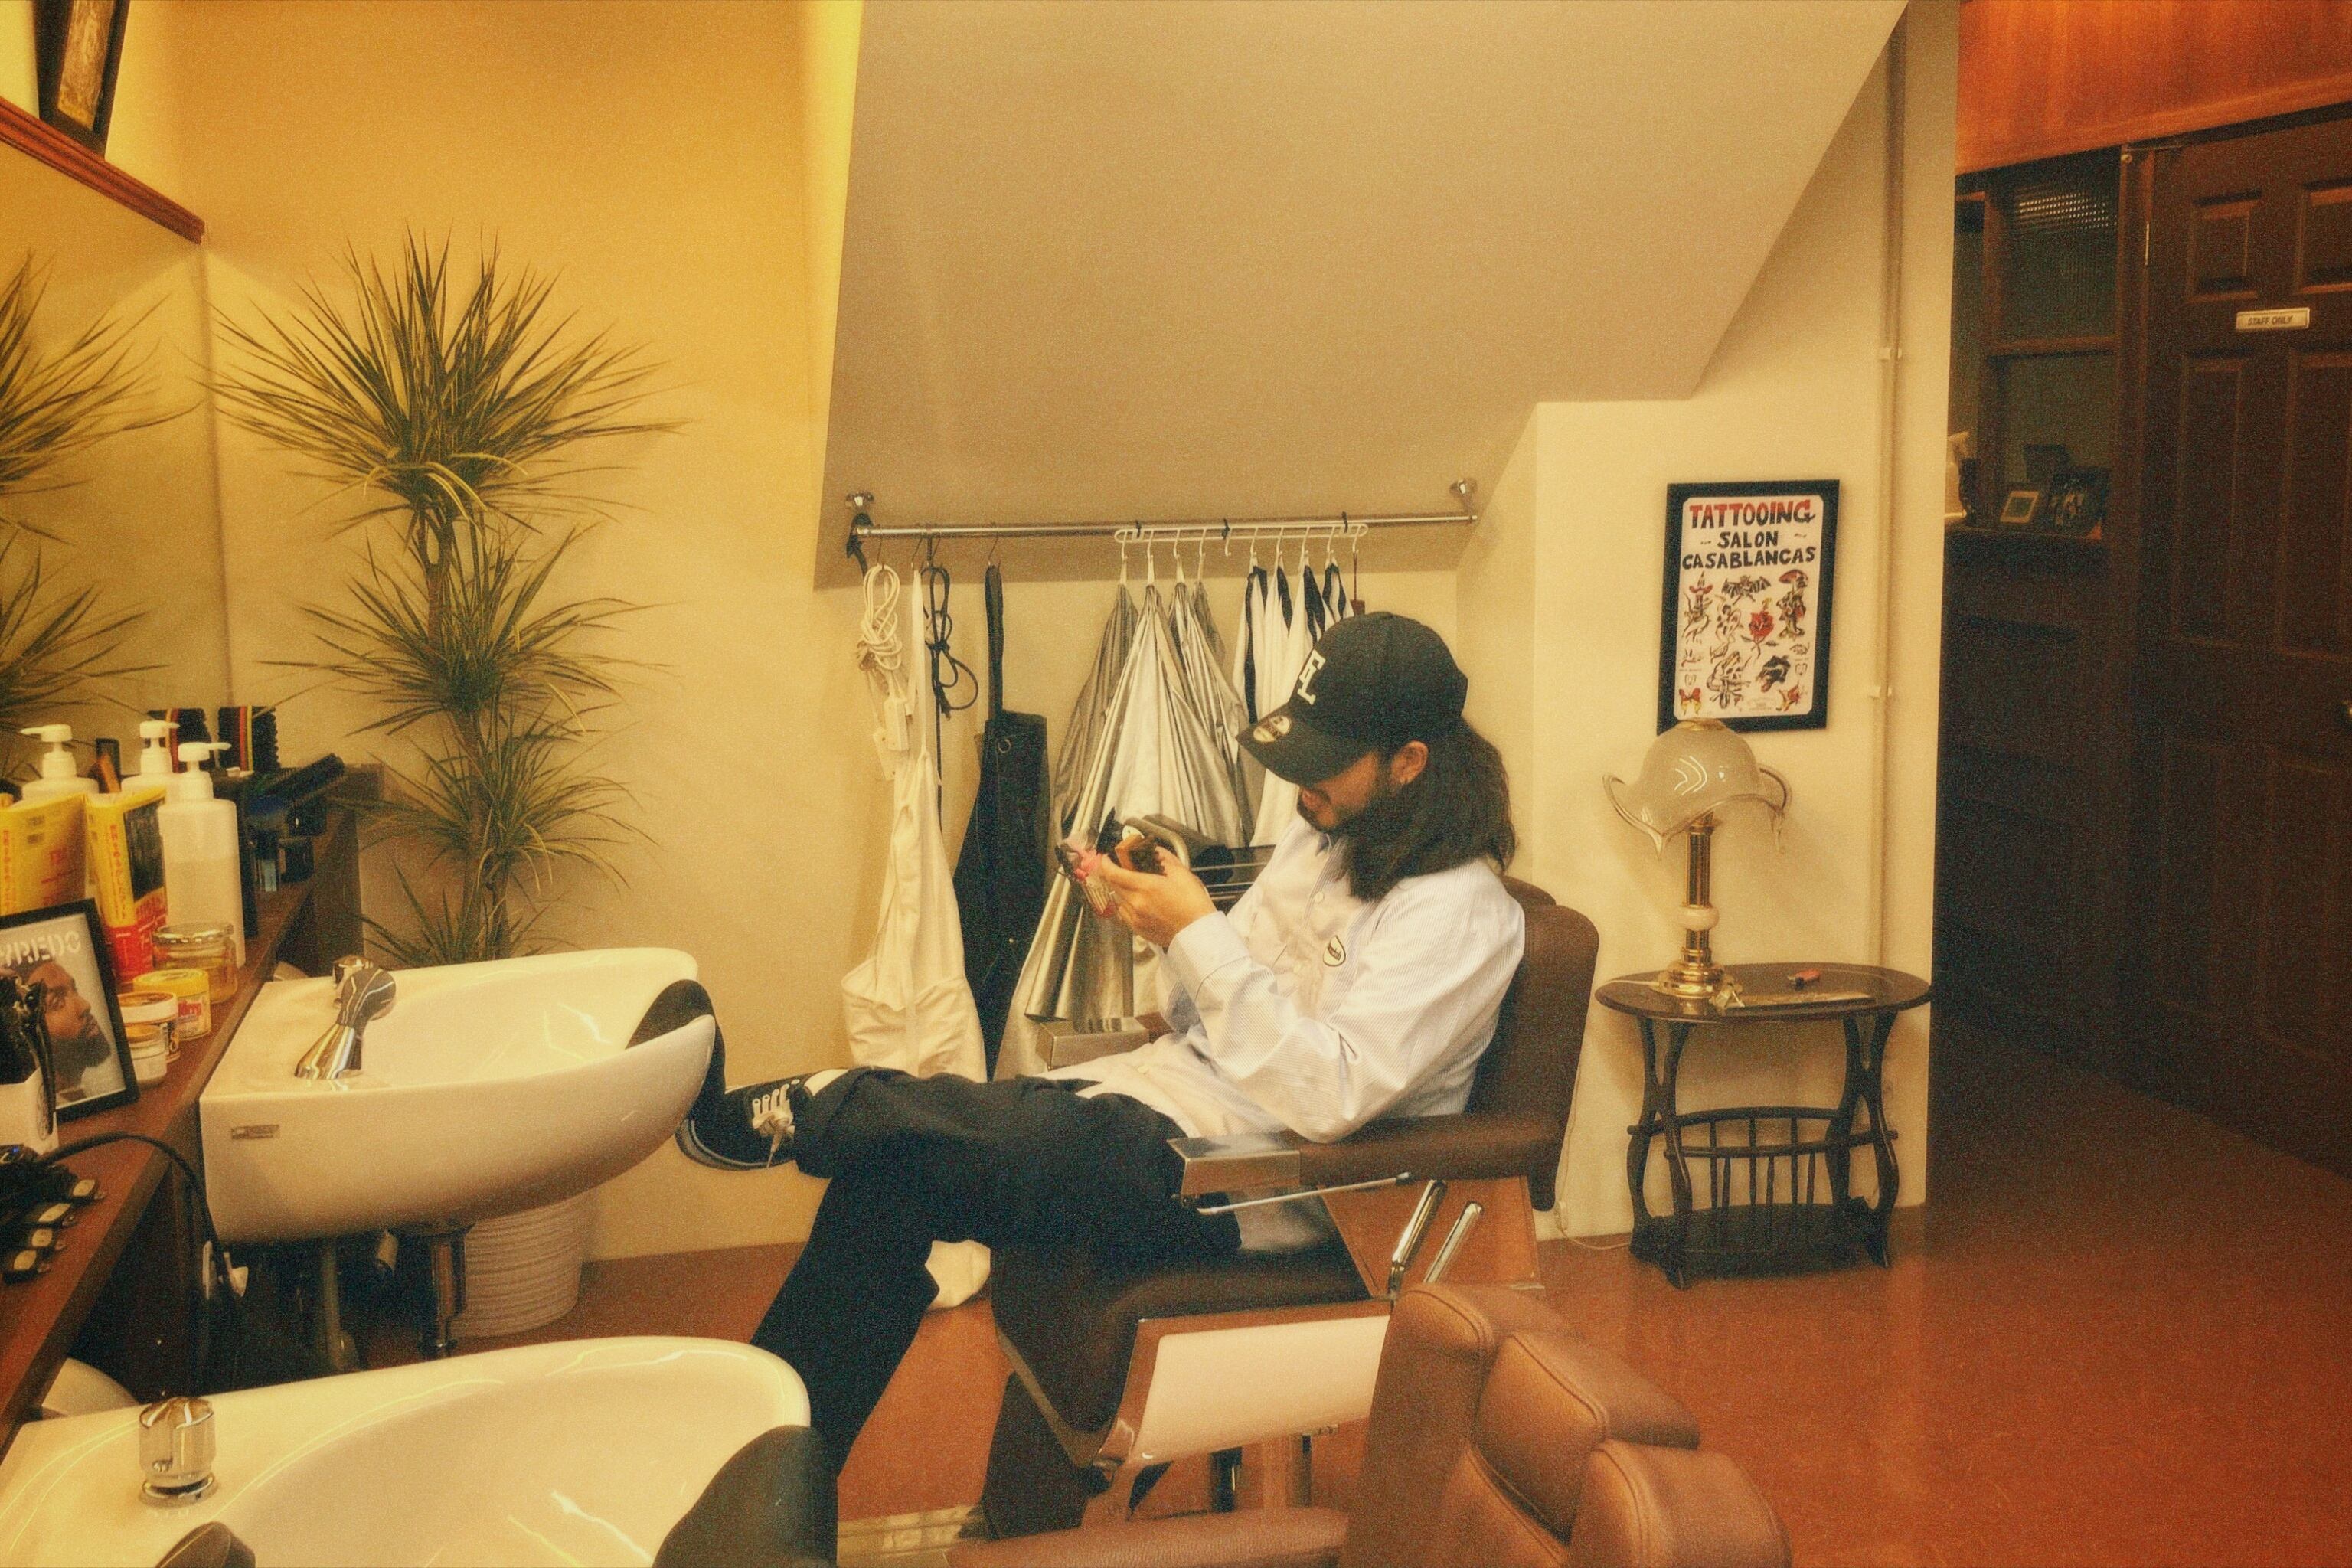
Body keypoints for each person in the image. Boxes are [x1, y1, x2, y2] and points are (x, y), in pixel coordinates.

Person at [677, 611, 1524, 1468]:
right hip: (1161, 1103)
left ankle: (825, 1104)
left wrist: (1199, 933)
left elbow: (1330, 1096)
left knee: (971, 1135)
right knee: (885, 1182)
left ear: (1409, 762)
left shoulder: (1457, 913)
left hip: (1247, 1178)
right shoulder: (1324, 837)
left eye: (1325, 763)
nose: (1301, 787)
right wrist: (1163, 925)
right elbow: (1202, 1015)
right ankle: (762, 1480)